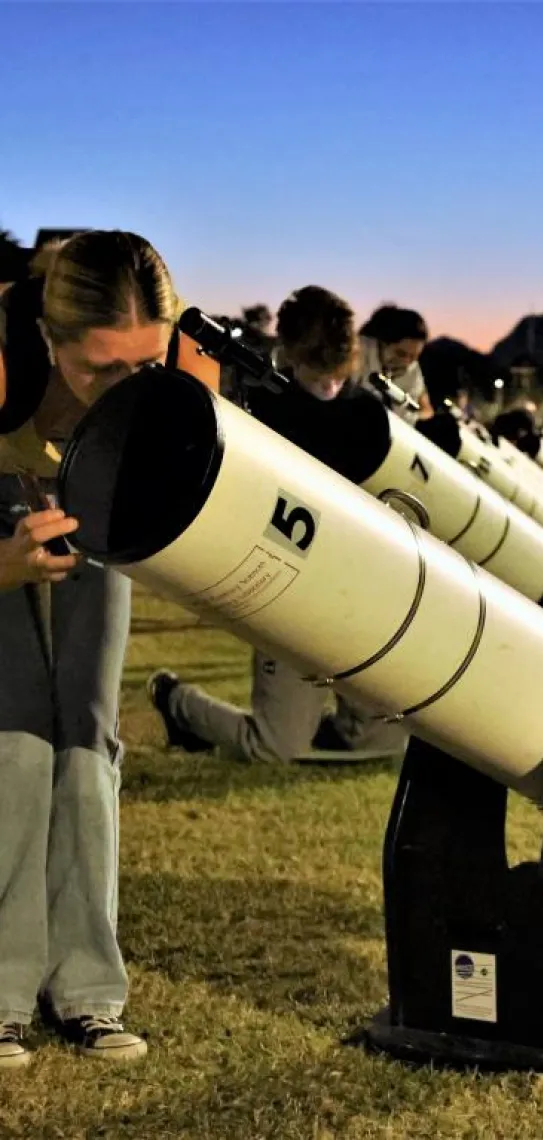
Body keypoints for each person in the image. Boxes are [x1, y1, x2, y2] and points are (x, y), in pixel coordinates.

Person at [0, 230, 220, 1067]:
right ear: (49, 342)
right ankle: (1, 995)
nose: (125, 390)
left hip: (93, 503)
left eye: (145, 368)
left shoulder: (184, 366)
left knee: (88, 737)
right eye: (100, 370)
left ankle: (89, 992)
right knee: (14, 735)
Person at [146, 286, 410, 766]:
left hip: (355, 589)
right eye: (317, 373)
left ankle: (333, 723)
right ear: (288, 354)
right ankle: (175, 700)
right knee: (274, 747)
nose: (329, 386)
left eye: (337, 373)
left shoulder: (365, 417)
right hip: (289, 589)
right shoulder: (263, 412)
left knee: (384, 741)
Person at [358, 305, 433, 423]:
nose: (406, 362)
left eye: (413, 357)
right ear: (383, 342)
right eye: (400, 353)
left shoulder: (413, 370)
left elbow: (426, 410)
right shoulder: (358, 351)